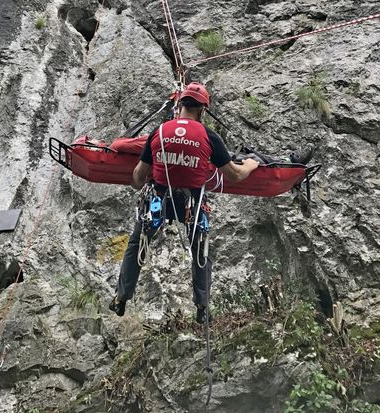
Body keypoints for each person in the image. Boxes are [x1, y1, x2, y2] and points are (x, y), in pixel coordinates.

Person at [109, 83, 314, 323]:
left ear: (180, 105)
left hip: (158, 197)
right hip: (192, 203)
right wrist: (250, 165)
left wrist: (156, 169)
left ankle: (121, 298)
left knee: (138, 242)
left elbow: (137, 177)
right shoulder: (209, 137)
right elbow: (235, 175)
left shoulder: (159, 132)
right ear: (203, 110)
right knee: (200, 250)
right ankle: (202, 309)